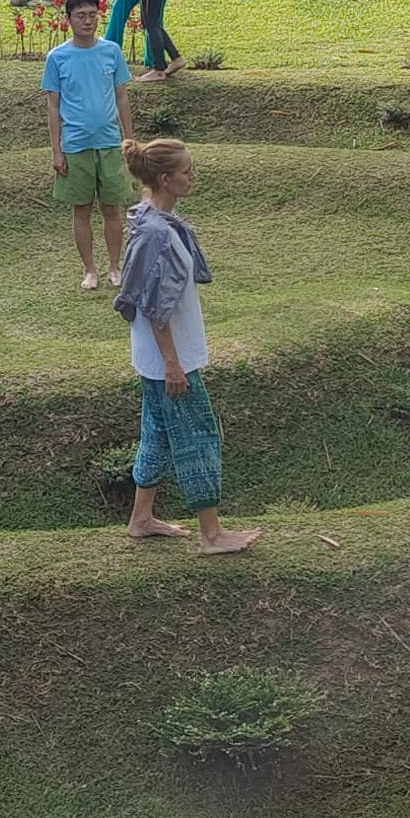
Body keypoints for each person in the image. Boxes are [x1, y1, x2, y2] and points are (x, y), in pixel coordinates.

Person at [113, 140, 253, 553]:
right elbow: (158, 309)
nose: (193, 175)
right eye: (187, 170)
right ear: (164, 179)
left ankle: (141, 518)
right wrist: (174, 364)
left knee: (156, 434)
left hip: (156, 358)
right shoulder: (157, 233)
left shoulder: (150, 221)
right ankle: (212, 534)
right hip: (169, 359)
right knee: (198, 436)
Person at [42, 0, 135, 291]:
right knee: (81, 209)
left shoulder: (111, 51)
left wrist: (129, 139)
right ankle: (90, 270)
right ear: (68, 19)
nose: (88, 21)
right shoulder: (57, 58)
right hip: (75, 145)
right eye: (81, 16)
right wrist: (56, 151)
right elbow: (53, 106)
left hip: (109, 142)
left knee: (112, 207)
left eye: (92, 15)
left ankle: (115, 266)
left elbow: (122, 96)